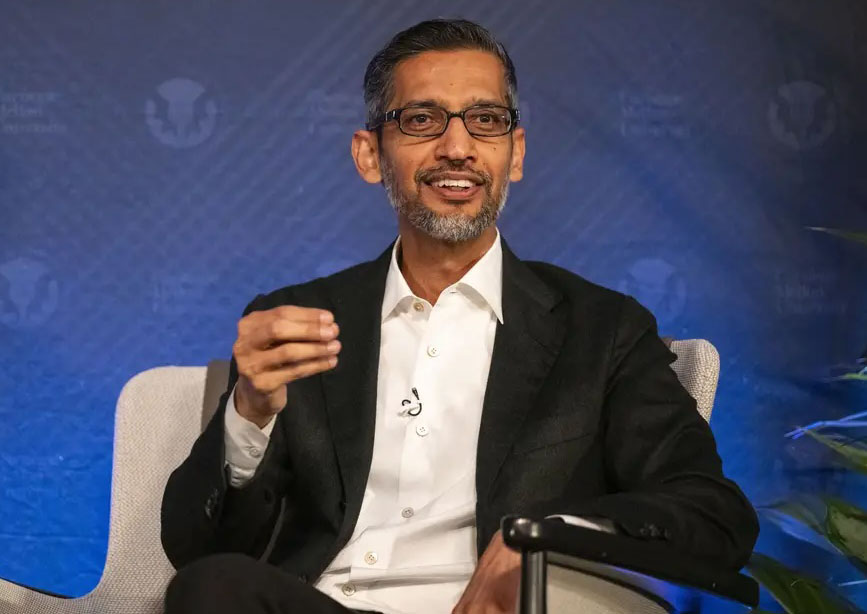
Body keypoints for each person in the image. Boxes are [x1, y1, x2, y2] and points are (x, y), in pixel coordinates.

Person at [161, 18, 758, 614]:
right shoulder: (299, 323)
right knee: (212, 588)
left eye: (486, 121)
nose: (457, 147)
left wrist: (549, 543)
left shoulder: (603, 331)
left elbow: (714, 513)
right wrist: (248, 415)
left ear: (514, 154)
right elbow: (195, 548)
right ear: (370, 155)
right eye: (422, 120)